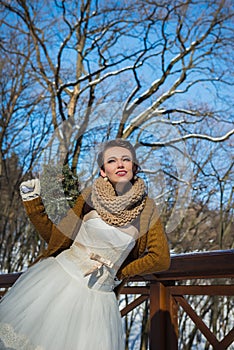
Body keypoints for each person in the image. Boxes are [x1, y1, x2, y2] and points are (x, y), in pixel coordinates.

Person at [0, 139, 170, 350]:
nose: (120, 164)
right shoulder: (89, 196)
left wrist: (121, 272)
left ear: (134, 167)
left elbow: (160, 257)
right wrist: (34, 206)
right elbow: (58, 238)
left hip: (98, 304)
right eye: (112, 160)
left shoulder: (147, 209)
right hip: (57, 284)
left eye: (126, 159)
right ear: (102, 170)